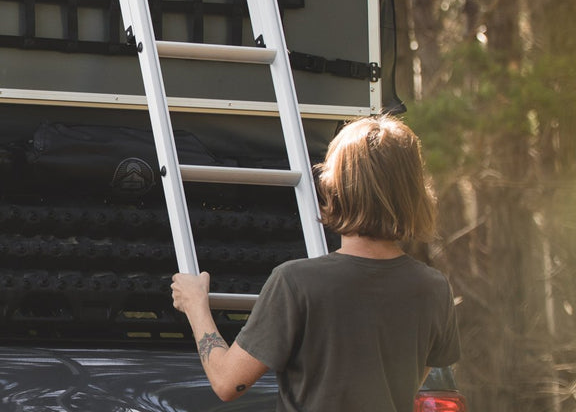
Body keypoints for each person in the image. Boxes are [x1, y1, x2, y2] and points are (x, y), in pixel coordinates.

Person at [171, 114, 460, 412]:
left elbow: (227, 382)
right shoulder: (434, 289)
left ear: (335, 186)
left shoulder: (296, 283)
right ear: (414, 193)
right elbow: (409, 381)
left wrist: (195, 305)